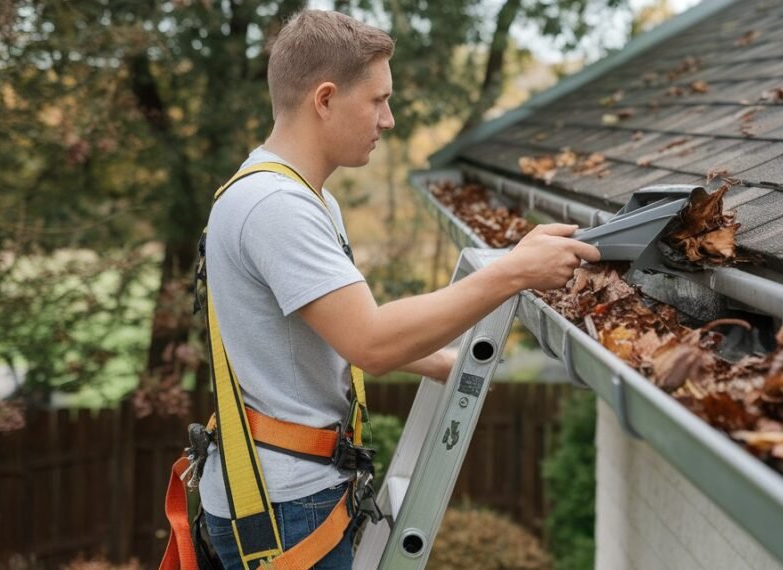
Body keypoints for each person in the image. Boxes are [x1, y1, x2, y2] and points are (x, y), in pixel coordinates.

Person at [197, 9, 600, 568]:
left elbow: (323, 330)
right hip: (286, 507)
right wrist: (513, 271)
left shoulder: (296, 194)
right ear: (325, 98)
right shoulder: (276, 207)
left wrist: (431, 358)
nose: (388, 120)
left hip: (288, 493)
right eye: (378, 100)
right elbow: (372, 342)